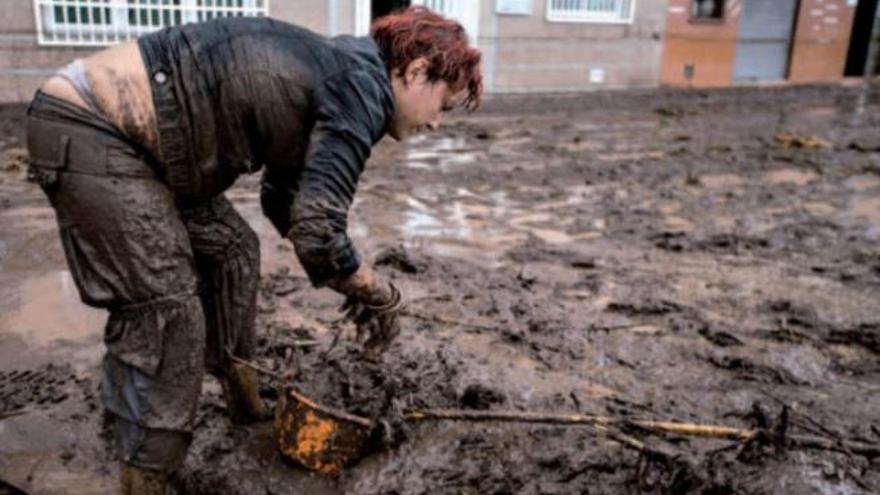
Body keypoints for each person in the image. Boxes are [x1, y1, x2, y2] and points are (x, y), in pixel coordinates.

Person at [25, 6, 481, 494]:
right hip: (95, 128)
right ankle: (145, 475)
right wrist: (376, 291)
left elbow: (282, 200)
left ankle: (245, 401)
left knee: (233, 250)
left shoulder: (341, 72)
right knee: (168, 310)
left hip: (153, 149)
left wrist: (343, 270)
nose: (436, 124)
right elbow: (318, 230)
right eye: (443, 106)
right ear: (415, 72)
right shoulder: (361, 89)